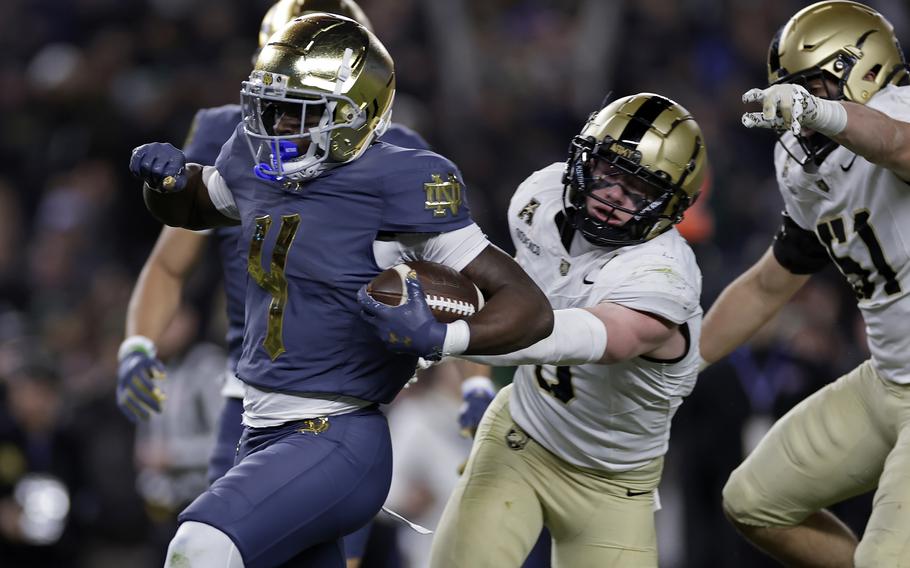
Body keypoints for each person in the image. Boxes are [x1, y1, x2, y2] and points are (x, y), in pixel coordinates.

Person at [128, 13, 552, 568]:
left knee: (199, 548)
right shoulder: (254, 162)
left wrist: (447, 339)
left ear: (357, 114)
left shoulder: (399, 181)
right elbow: (196, 206)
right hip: (259, 426)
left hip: (336, 433)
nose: (277, 127)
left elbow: (529, 308)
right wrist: (165, 184)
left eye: (298, 112)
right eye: (271, 108)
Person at [115, 2, 429, 566]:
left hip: (343, 401)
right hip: (248, 393)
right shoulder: (228, 135)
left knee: (213, 548)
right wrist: (138, 341)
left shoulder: (399, 158)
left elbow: (449, 277)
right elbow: (170, 261)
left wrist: (471, 372)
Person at [364, 92, 708, 567]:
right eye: (610, 172)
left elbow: (588, 337)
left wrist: (452, 338)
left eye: (639, 189)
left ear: (669, 207)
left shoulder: (665, 275)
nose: (614, 195)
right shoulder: (540, 198)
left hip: (613, 480)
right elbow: (500, 298)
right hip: (521, 436)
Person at [698, 2, 910, 566]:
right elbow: (772, 281)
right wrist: (681, 366)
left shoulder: (900, 113)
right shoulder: (804, 165)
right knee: (752, 501)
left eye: (814, 86)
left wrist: (819, 111)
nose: (802, 108)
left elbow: (897, 146)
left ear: (863, 68)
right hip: (889, 378)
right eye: (795, 93)